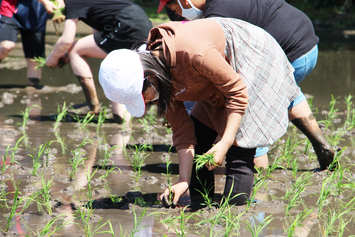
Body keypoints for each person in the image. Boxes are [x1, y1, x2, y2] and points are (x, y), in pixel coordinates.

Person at [98, 17, 307, 206]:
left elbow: (237, 91)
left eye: (142, 96)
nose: (147, 102)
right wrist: (183, 181)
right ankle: (200, 205)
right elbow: (182, 132)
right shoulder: (159, 79)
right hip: (213, 78)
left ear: (148, 75)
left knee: (238, 148)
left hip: (250, 55)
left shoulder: (191, 51)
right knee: (200, 141)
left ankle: (236, 216)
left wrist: (224, 142)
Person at [156, 0, 335, 170]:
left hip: (287, 49)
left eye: (175, 10)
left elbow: (227, 79)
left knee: (253, 112)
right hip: (307, 44)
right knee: (286, 93)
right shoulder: (217, 6)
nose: (179, 15)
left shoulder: (219, 16)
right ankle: (320, 142)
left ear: (184, 2)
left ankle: (258, 182)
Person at [45, 0, 152, 123]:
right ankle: (122, 120)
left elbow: (66, 40)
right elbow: (98, 34)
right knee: (114, 68)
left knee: (74, 50)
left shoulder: (72, 2)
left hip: (125, 24)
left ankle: (92, 105)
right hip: (140, 23)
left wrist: (52, 58)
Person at [0, 0, 59, 87]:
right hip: (11, 7)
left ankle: (33, 92)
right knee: (7, 46)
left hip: (37, 11)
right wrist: (45, 2)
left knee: (35, 59)